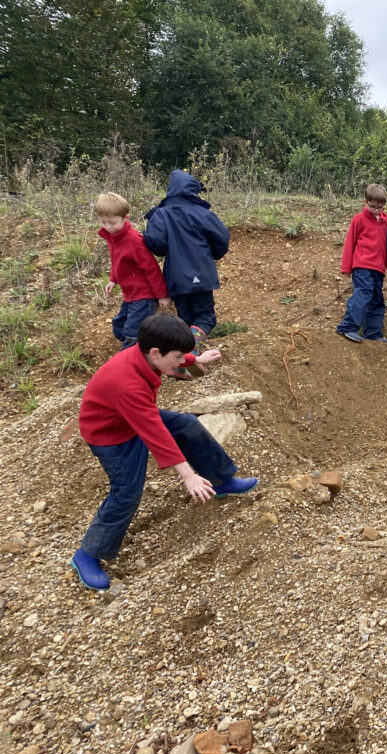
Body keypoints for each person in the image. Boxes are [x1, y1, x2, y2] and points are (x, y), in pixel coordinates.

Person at [70, 314, 259, 591]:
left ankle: (221, 482)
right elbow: (154, 432)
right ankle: (87, 555)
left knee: (187, 424)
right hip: (110, 436)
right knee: (127, 492)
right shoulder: (127, 383)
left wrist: (197, 360)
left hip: (130, 417)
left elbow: (166, 370)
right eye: (179, 356)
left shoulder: (146, 353)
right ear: (155, 352)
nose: (182, 361)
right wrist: (188, 476)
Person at [144, 170, 230, 347]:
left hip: (176, 275)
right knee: (206, 316)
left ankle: (183, 356)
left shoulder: (161, 214)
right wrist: (213, 254)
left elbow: (156, 242)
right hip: (202, 271)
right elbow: (222, 237)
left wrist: (168, 248)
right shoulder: (202, 213)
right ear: (193, 190)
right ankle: (193, 346)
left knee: (185, 317)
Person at [95, 192, 171, 348]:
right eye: (103, 222)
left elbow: (152, 269)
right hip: (131, 294)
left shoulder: (134, 241)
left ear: (126, 218)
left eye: (112, 222)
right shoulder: (114, 236)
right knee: (119, 326)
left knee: (132, 332)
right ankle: (145, 345)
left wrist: (162, 296)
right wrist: (113, 279)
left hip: (145, 295)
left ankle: (129, 361)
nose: (108, 227)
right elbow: (117, 260)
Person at [336, 184, 387, 343]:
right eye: (372, 206)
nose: (376, 209)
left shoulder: (386, 224)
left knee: (377, 298)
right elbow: (350, 243)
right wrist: (346, 267)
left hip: (378, 269)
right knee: (363, 293)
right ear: (365, 202)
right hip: (362, 266)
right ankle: (347, 326)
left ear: (384, 204)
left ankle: (373, 333)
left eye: (380, 207)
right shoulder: (358, 219)